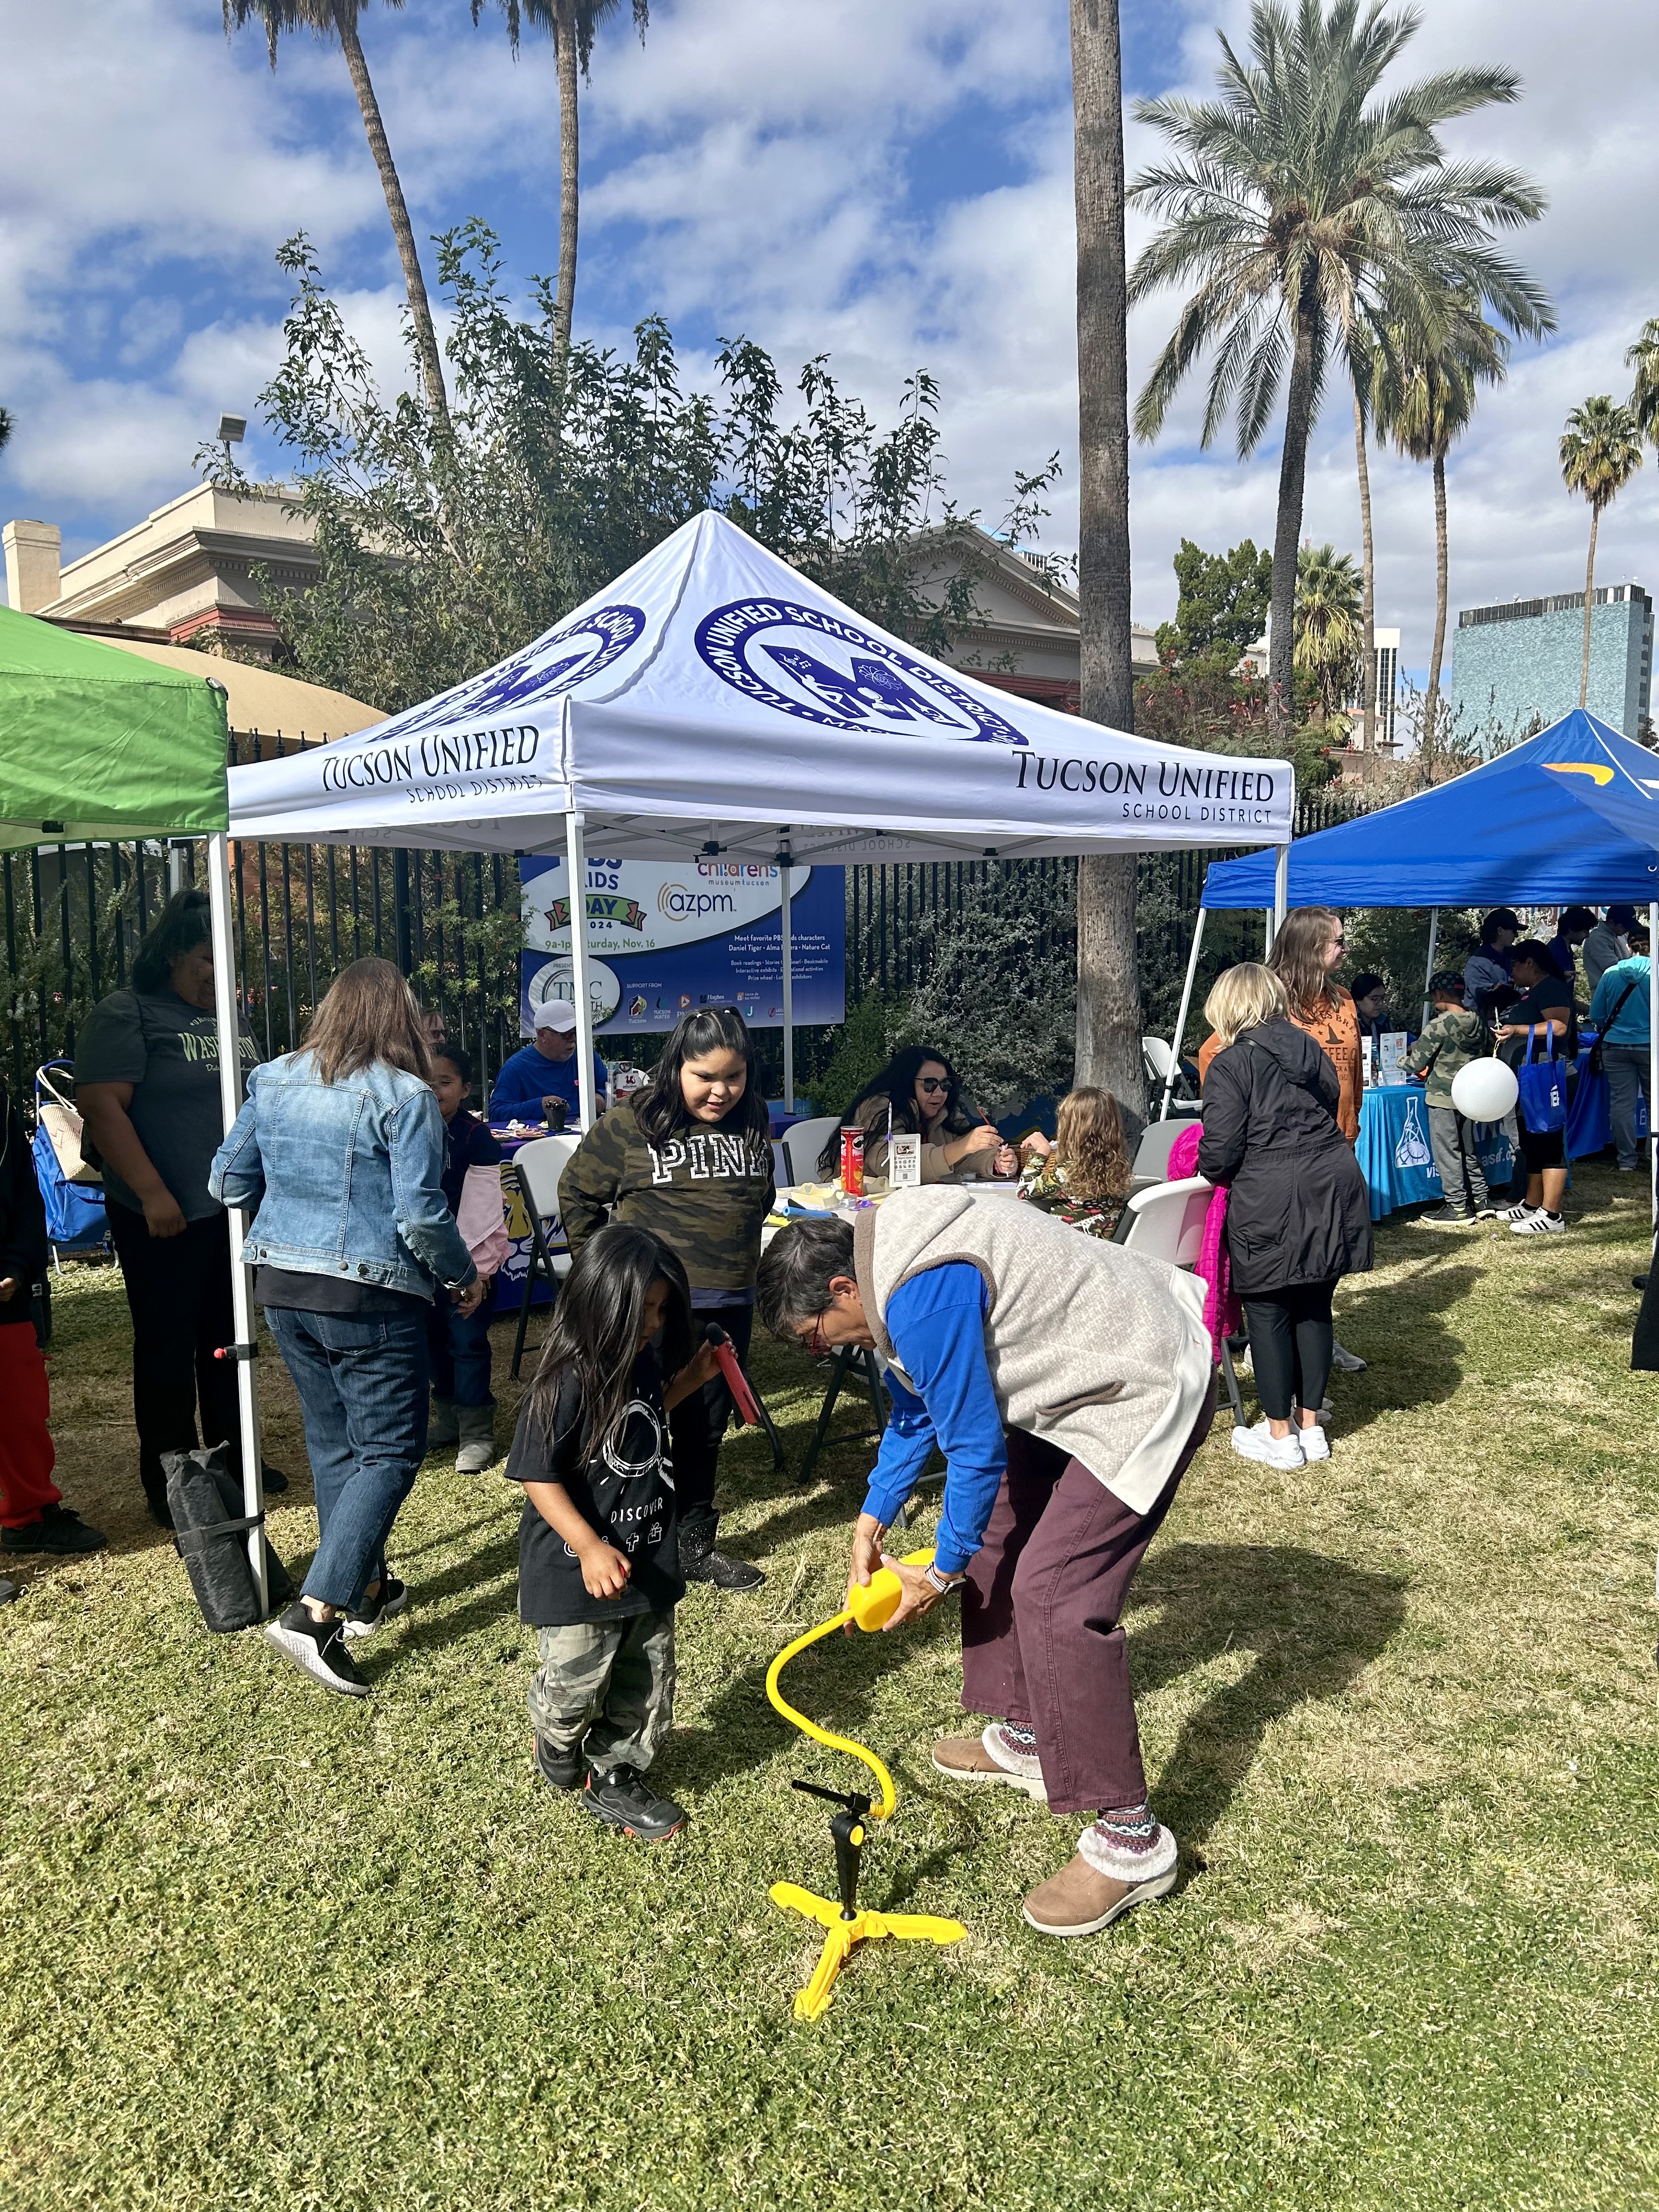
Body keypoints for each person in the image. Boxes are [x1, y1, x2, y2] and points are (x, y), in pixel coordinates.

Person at [756, 1195, 1215, 1940]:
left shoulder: (917, 1289)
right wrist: (874, 1515)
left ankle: (1134, 1844)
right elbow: (918, 1410)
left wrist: (938, 1573)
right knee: (999, 1531)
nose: (822, 1351)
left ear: (843, 1290)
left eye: (816, 1338)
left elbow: (971, 1445)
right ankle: (1031, 1735)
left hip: (1143, 1379)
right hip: (1074, 1375)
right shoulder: (878, 1266)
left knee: (1056, 1599)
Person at [210, 958, 483, 1696]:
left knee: (337, 1444)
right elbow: (420, 1214)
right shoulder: (407, 1097)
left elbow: (226, 1181)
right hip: (369, 1294)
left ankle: (362, 1589)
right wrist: (463, 1277)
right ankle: (316, 1612)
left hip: (283, 1285)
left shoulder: (271, 1079)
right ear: (403, 1019)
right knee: (390, 1452)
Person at [506, 1222, 719, 1841]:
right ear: (600, 1300)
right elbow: (537, 1478)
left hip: (647, 1554)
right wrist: (591, 1546)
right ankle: (558, 1731)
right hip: (578, 1567)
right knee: (577, 1679)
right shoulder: (564, 1381)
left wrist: (692, 1379)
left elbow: (643, 1420)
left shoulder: (642, 1362)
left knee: (648, 1674)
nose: (652, 1322)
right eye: (642, 1310)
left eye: (659, 1309)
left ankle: (617, 1773)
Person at [75, 888, 279, 1526]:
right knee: (167, 1347)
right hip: (161, 1216)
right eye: (207, 958)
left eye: (227, 959)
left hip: (231, 1213)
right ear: (172, 957)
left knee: (229, 1341)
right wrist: (153, 1193)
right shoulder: (127, 1013)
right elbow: (103, 1107)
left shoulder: (230, 1019)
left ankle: (233, 1457)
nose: (219, 972)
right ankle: (172, 1475)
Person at [558, 1006, 774, 1593]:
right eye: (705, 1076)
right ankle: (617, 1530)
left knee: (705, 1425)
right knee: (635, 1420)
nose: (721, 1090)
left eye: (734, 1076)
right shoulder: (631, 1123)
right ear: (676, 1065)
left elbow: (760, 1197)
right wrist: (606, 1279)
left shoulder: (753, 1120)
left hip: (728, 1304)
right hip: (650, 1312)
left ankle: (694, 1541)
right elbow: (577, 1192)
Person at [1196, 963, 1373, 1469]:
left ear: (1228, 1007)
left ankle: (1280, 1438)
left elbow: (1221, 1153)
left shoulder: (1231, 1064)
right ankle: (1309, 1425)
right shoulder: (1309, 1046)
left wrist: (1206, 1161)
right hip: (1331, 1179)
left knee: (1269, 1312)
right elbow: (1329, 1102)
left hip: (1272, 1193)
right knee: (1315, 1305)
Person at [0, 1079, 106, 1561]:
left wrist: (19, 1266)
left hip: (7, 1295)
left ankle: (27, 1516)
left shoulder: (1, 1106)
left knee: (21, 1410)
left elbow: (26, 1197)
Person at [428, 1041, 506, 1470]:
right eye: (426, 1081)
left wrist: (470, 1271)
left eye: (445, 1082)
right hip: (420, 1264)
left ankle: (477, 1430)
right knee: (430, 1340)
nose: (435, 1090)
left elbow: (481, 1214)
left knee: (466, 1342)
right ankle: (448, 1417)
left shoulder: (478, 1139)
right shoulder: (405, 1130)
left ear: (465, 1089)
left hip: (467, 1264)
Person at [817, 1045, 1014, 1182]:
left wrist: (996, 1163)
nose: (939, 1093)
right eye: (929, 1084)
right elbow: (892, 1166)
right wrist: (963, 1146)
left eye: (945, 1084)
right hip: (860, 1206)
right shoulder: (879, 1106)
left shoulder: (945, 1112)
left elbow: (964, 1157)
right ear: (907, 1083)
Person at [1494, 941, 1576, 1236]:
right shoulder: (1530, 993)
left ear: (1530, 963)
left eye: (1515, 965)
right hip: (1527, 1078)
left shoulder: (1551, 987)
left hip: (1547, 1077)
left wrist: (1517, 1030)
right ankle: (1531, 1204)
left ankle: (1552, 1214)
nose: (1512, 971)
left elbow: (1559, 1026)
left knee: (1549, 1142)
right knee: (1531, 1142)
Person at [1408, 972, 1497, 1226]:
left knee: (1448, 1152)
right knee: (1470, 1149)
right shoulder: (1477, 1020)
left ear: (1439, 995)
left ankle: (1457, 1206)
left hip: (1442, 1097)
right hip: (1470, 1095)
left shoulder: (1438, 1025)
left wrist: (1401, 1059)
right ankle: (1481, 1201)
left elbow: (1416, 1063)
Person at [1014, 1087, 1133, 1240]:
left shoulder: (1069, 1173)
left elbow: (1024, 1191)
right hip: (1101, 1248)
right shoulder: (1116, 1168)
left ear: (1070, 1128)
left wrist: (1041, 1152)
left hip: (1068, 1248)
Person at [1589, 923, 1652, 1176]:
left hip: (1615, 1046)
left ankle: (1626, 1160)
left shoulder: (1610, 974)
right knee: (1655, 1103)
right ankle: (1653, 1155)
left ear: (1628, 947)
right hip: (1651, 1048)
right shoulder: (1655, 973)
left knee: (1621, 1104)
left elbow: (1597, 1014)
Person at [488, 998, 608, 1126]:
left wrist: (601, 1096)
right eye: (566, 1034)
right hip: (537, 1143)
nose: (573, 1039)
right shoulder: (516, 1068)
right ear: (542, 1035)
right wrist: (540, 1105)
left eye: (576, 1032)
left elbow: (615, 1091)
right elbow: (497, 1113)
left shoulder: (586, 1057)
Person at [1463, 909, 1522, 1017]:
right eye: (1514, 931)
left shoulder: (1512, 956)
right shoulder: (1477, 963)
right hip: (1483, 1026)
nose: (1517, 935)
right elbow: (1487, 999)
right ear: (1500, 931)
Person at [1583, 905, 1637, 997]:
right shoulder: (1597, 939)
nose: (1628, 930)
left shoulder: (1619, 935)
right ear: (1611, 922)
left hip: (1621, 993)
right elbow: (1614, 968)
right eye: (1625, 926)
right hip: (1606, 996)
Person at [1545, 907, 1598, 990]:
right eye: (1585, 931)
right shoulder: (1555, 950)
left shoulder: (1566, 949)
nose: (1588, 935)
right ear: (1571, 929)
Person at [1350, 973, 1392, 1047]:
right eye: (1375, 999)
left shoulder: (1383, 1021)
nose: (1381, 1003)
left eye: (1383, 998)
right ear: (1358, 1000)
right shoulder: (1350, 1024)